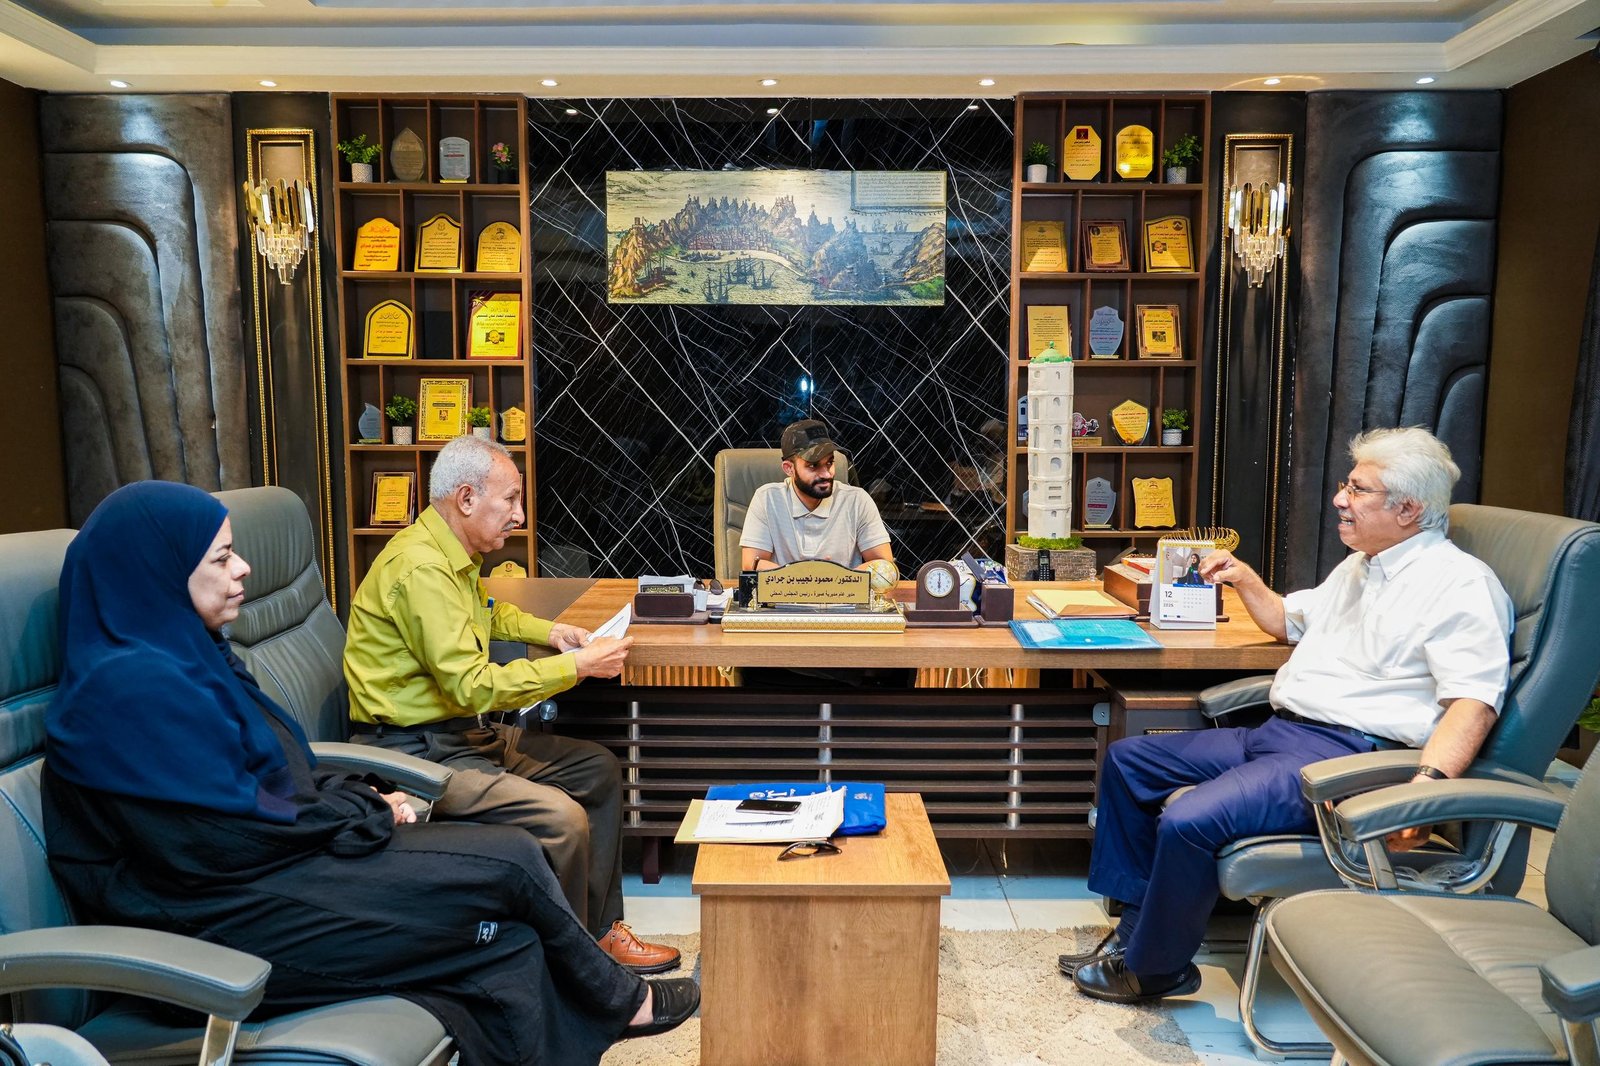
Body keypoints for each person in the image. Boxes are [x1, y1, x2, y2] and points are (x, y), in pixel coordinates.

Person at [41, 481, 699, 1066]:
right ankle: (622, 1000)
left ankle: (610, 998)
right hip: (218, 922)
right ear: (156, 573)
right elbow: (221, 840)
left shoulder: (189, 658)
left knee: (509, 938)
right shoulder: (126, 696)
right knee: (512, 865)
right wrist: (364, 812)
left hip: (270, 875)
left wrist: (355, 795)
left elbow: (277, 778)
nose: (242, 569)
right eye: (221, 559)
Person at [1064, 427, 1513, 1004]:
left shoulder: (1461, 586)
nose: (1340, 499)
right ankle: (1134, 934)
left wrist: (1425, 792)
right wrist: (1244, 577)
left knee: (1190, 820)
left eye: (1359, 490)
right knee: (1130, 762)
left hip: (1349, 759)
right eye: (1346, 485)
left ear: (1408, 509)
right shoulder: (1363, 566)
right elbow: (1287, 621)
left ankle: (1156, 969)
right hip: (1283, 734)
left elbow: (1473, 703)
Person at [343, 435, 679, 974]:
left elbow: (488, 613)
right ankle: (571, 971)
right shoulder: (421, 569)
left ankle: (597, 935)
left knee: (596, 768)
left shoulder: (450, 554)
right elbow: (471, 686)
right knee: (562, 819)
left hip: (458, 734)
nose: (520, 515)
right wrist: (576, 667)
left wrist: (555, 632)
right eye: (511, 499)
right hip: (415, 752)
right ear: (467, 498)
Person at [739, 418, 897, 576]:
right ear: (789, 468)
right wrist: (812, 577)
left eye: (829, 463)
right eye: (813, 465)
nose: (826, 474)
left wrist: (834, 578)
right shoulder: (767, 499)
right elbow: (752, 564)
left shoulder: (857, 500)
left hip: (841, 591)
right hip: (783, 592)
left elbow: (884, 566)